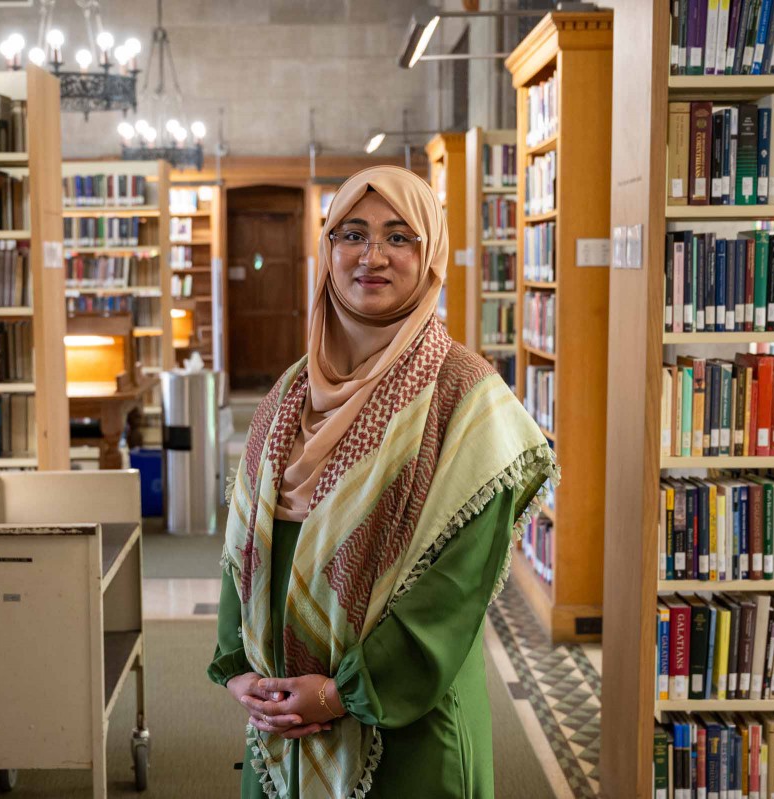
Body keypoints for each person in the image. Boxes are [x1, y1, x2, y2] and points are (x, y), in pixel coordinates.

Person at [208, 165, 558, 798]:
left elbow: (453, 590)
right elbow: (243, 539)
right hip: (280, 722)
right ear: (327, 249)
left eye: (400, 237)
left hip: (405, 726)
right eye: (352, 234)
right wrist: (241, 671)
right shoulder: (290, 392)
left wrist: (342, 693)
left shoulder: (467, 400)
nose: (372, 256)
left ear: (430, 256)